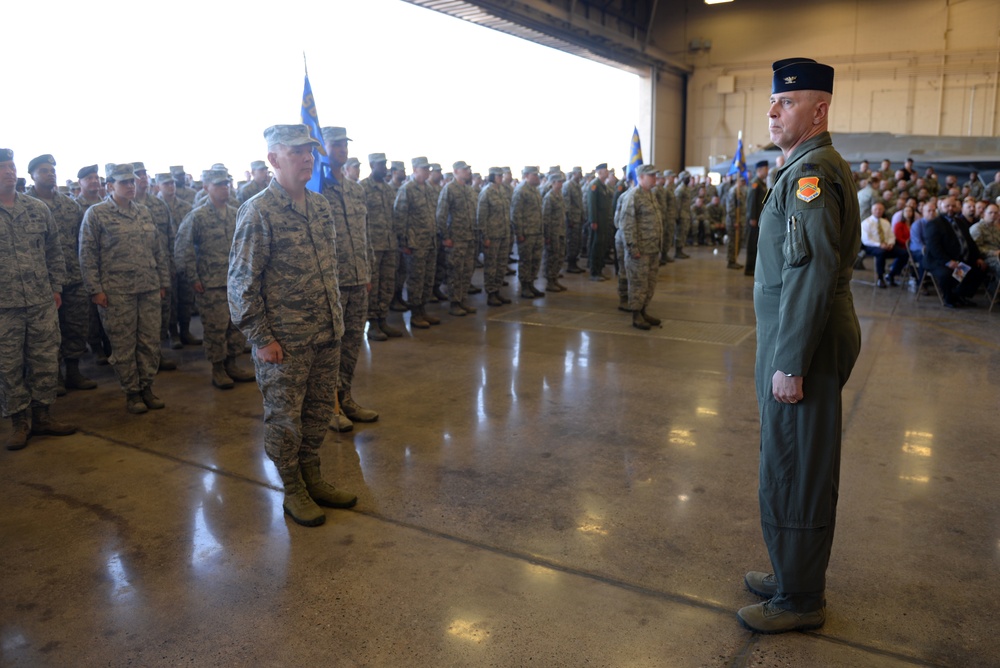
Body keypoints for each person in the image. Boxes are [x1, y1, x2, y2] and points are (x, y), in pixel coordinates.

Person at [740, 58, 862, 635]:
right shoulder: (801, 168)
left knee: (797, 466)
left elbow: (809, 273)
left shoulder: (813, 174)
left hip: (803, 341)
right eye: (773, 101)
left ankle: (800, 598)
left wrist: (790, 361)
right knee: (783, 458)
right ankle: (789, 570)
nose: (772, 111)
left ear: (819, 110)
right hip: (793, 334)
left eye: (785, 102)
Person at [228, 124, 357, 528]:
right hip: (285, 341)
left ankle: (312, 476)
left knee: (318, 413)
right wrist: (261, 337)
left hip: (325, 334)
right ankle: (293, 489)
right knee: (286, 420)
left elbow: (329, 270)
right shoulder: (258, 211)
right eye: (297, 151)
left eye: (310, 151)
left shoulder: (320, 206)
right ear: (273, 159)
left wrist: (337, 322)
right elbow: (241, 282)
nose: (308, 158)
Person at [1, 149, 77, 450]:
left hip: (40, 301)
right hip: (4, 307)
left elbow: (54, 250)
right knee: (8, 365)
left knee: (45, 359)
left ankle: (43, 416)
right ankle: (19, 421)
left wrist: (56, 286)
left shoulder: (36, 209)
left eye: (11, 166)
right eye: (2, 167)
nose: (8, 171)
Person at [79, 164, 170, 414]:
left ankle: (147, 387)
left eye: (133, 181)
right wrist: (95, 290)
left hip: (148, 288)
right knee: (123, 345)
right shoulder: (96, 214)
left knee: (150, 342)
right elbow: (87, 255)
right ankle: (132, 392)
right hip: (116, 292)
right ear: (110, 186)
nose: (131, 186)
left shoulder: (144, 212)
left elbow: (157, 250)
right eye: (124, 182)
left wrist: (163, 282)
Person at [320, 126, 378, 429]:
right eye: (335, 144)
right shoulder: (316, 191)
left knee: (353, 341)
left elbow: (363, 234)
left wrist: (367, 271)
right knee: (332, 345)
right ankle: (329, 407)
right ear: (322, 147)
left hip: (357, 278)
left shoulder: (356, 189)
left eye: (344, 144)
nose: (342, 149)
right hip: (332, 282)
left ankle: (346, 396)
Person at [174, 168, 254, 389]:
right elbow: (183, 249)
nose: (224, 188)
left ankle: (232, 363)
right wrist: (193, 278)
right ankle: (218, 368)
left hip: (236, 282)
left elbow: (248, 245)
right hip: (210, 284)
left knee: (236, 326)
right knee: (215, 328)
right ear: (206, 187)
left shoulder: (236, 213)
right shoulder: (197, 216)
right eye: (218, 184)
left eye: (226, 184)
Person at [24, 154, 96, 392]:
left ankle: (73, 372)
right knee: (47, 332)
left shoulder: (70, 205)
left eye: (52, 170)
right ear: (32, 175)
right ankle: (53, 377)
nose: (50, 174)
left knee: (75, 327)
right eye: (44, 170)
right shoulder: (25, 206)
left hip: (73, 277)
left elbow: (82, 242)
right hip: (42, 281)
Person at [361, 153, 403, 340]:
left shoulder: (387, 189)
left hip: (389, 244)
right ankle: (372, 325)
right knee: (374, 286)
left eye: (385, 164)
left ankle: (383, 319)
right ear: (371, 165)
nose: (384, 167)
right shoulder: (362, 188)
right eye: (381, 164)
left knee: (387, 284)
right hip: (373, 246)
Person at [395, 157, 440, 329]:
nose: (427, 171)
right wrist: (403, 242)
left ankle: (423, 310)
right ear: (414, 169)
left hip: (429, 242)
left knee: (427, 279)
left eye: (428, 168)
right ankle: (415, 314)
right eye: (424, 168)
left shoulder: (428, 189)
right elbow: (400, 216)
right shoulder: (407, 189)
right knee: (416, 280)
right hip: (415, 244)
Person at [616, 164, 663, 330]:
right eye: (651, 176)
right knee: (638, 284)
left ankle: (643, 311)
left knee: (649, 283)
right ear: (641, 177)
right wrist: (632, 248)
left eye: (655, 175)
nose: (655, 178)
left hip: (652, 249)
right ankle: (636, 315)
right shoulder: (633, 196)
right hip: (639, 251)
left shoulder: (651, 195)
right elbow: (626, 225)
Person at [924, 195, 987, 307]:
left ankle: (961, 295)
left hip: (959, 259)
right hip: (939, 261)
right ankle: (949, 299)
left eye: (953, 206)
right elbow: (934, 248)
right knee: (949, 274)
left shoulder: (959, 221)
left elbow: (970, 242)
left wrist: (978, 257)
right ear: (940, 206)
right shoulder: (934, 224)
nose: (950, 209)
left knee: (980, 269)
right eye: (947, 206)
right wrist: (948, 261)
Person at [437, 160, 478, 316]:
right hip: (455, 239)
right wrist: (445, 237)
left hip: (469, 238)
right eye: (465, 169)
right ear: (456, 171)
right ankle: (454, 303)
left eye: (468, 169)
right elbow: (441, 215)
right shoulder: (449, 189)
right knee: (455, 272)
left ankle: (462, 300)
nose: (468, 172)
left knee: (467, 271)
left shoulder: (469, 190)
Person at [478, 167, 513, 306]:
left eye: (501, 175)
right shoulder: (486, 192)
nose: (500, 177)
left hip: (504, 234)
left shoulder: (503, 191)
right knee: (491, 266)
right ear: (492, 176)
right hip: (492, 236)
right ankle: (491, 293)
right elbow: (481, 217)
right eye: (498, 175)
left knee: (501, 265)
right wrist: (485, 236)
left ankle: (497, 291)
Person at [511, 166, 545, 296]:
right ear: (526, 176)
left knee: (535, 260)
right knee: (526, 260)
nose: (537, 177)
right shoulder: (521, 190)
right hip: (526, 233)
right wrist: (519, 233)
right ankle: (524, 286)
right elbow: (515, 213)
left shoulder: (535, 190)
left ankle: (531, 284)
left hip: (536, 231)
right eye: (534, 175)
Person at [860, 202, 908, 287]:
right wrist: (880, 245)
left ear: (883, 211)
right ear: (872, 210)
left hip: (887, 245)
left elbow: (891, 236)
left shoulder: (885, 222)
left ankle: (891, 274)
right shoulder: (866, 223)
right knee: (881, 252)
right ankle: (880, 278)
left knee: (904, 253)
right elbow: (866, 240)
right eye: (876, 209)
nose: (878, 211)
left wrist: (890, 244)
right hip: (872, 246)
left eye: (880, 209)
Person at [586, 163, 614, 279]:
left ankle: (599, 270)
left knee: (602, 246)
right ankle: (594, 272)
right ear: (599, 172)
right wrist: (593, 221)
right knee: (596, 246)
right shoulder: (594, 185)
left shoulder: (604, 186)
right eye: (605, 170)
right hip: (597, 221)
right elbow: (591, 204)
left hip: (604, 221)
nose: (607, 172)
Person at [541, 171, 567, 292]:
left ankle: (555, 279)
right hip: (553, 232)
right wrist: (547, 235)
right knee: (552, 256)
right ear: (553, 183)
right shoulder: (549, 197)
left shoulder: (559, 195)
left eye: (561, 182)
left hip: (560, 230)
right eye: (559, 182)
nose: (561, 184)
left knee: (559, 256)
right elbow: (546, 218)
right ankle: (550, 281)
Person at [745, 160, 768, 276]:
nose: (767, 171)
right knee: (752, 244)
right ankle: (749, 268)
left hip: (759, 219)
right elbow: (751, 201)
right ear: (759, 170)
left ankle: (754, 267)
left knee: (756, 244)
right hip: (754, 219)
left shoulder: (761, 183)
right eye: (765, 169)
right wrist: (752, 217)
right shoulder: (755, 183)